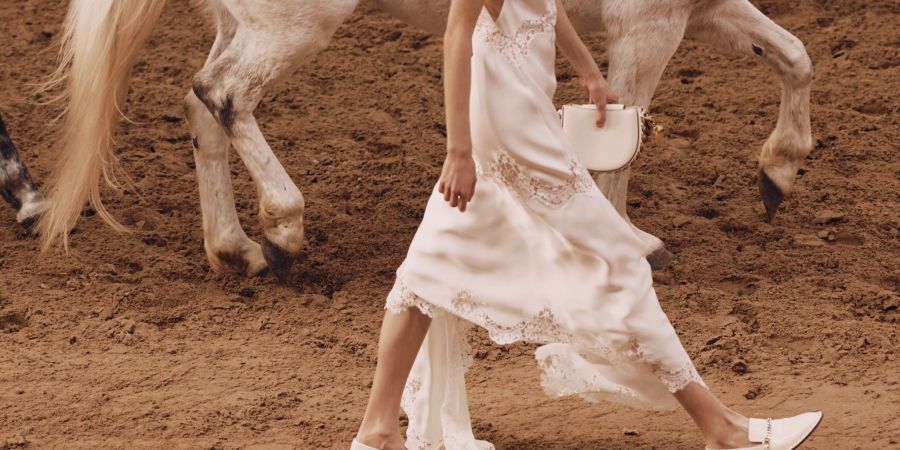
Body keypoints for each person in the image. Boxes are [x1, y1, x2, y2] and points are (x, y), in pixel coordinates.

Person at [352, 1, 821, 449]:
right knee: (617, 262)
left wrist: (589, 71)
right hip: (515, 128)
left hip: (520, 110)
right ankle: (722, 430)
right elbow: (457, 37)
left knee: (428, 268)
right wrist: (459, 152)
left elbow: (546, 5)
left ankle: (376, 431)